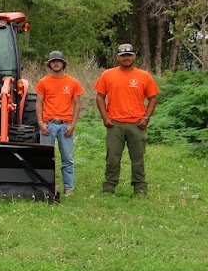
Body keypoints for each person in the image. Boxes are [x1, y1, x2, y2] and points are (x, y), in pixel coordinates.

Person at [94, 43, 159, 196]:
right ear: (117, 57)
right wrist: (105, 117)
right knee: (112, 157)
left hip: (137, 124)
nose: (126, 58)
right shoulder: (107, 75)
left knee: (138, 158)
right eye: (123, 55)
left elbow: (153, 98)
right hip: (114, 124)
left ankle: (140, 188)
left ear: (134, 56)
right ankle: (109, 188)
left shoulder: (144, 76)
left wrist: (146, 118)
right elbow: (100, 97)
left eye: (129, 55)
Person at [34, 50, 84, 196]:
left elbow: (77, 104)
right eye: (53, 61)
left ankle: (69, 188)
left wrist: (72, 125)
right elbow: (39, 103)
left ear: (63, 64)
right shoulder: (43, 82)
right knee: (45, 158)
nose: (56, 64)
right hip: (48, 125)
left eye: (58, 61)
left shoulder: (73, 82)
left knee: (67, 158)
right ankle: (46, 187)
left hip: (65, 125)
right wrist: (40, 123)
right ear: (49, 65)